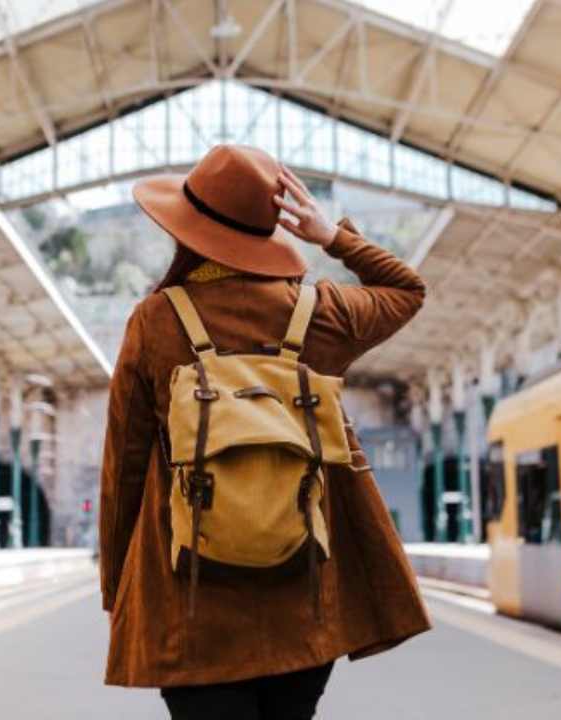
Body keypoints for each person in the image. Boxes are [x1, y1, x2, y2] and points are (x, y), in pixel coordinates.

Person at [99, 144, 431, 720]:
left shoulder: (155, 321)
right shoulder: (320, 313)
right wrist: (332, 237)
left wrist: (118, 589)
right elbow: (407, 291)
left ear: (187, 229)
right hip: (303, 600)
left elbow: (123, 467)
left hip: (190, 602)